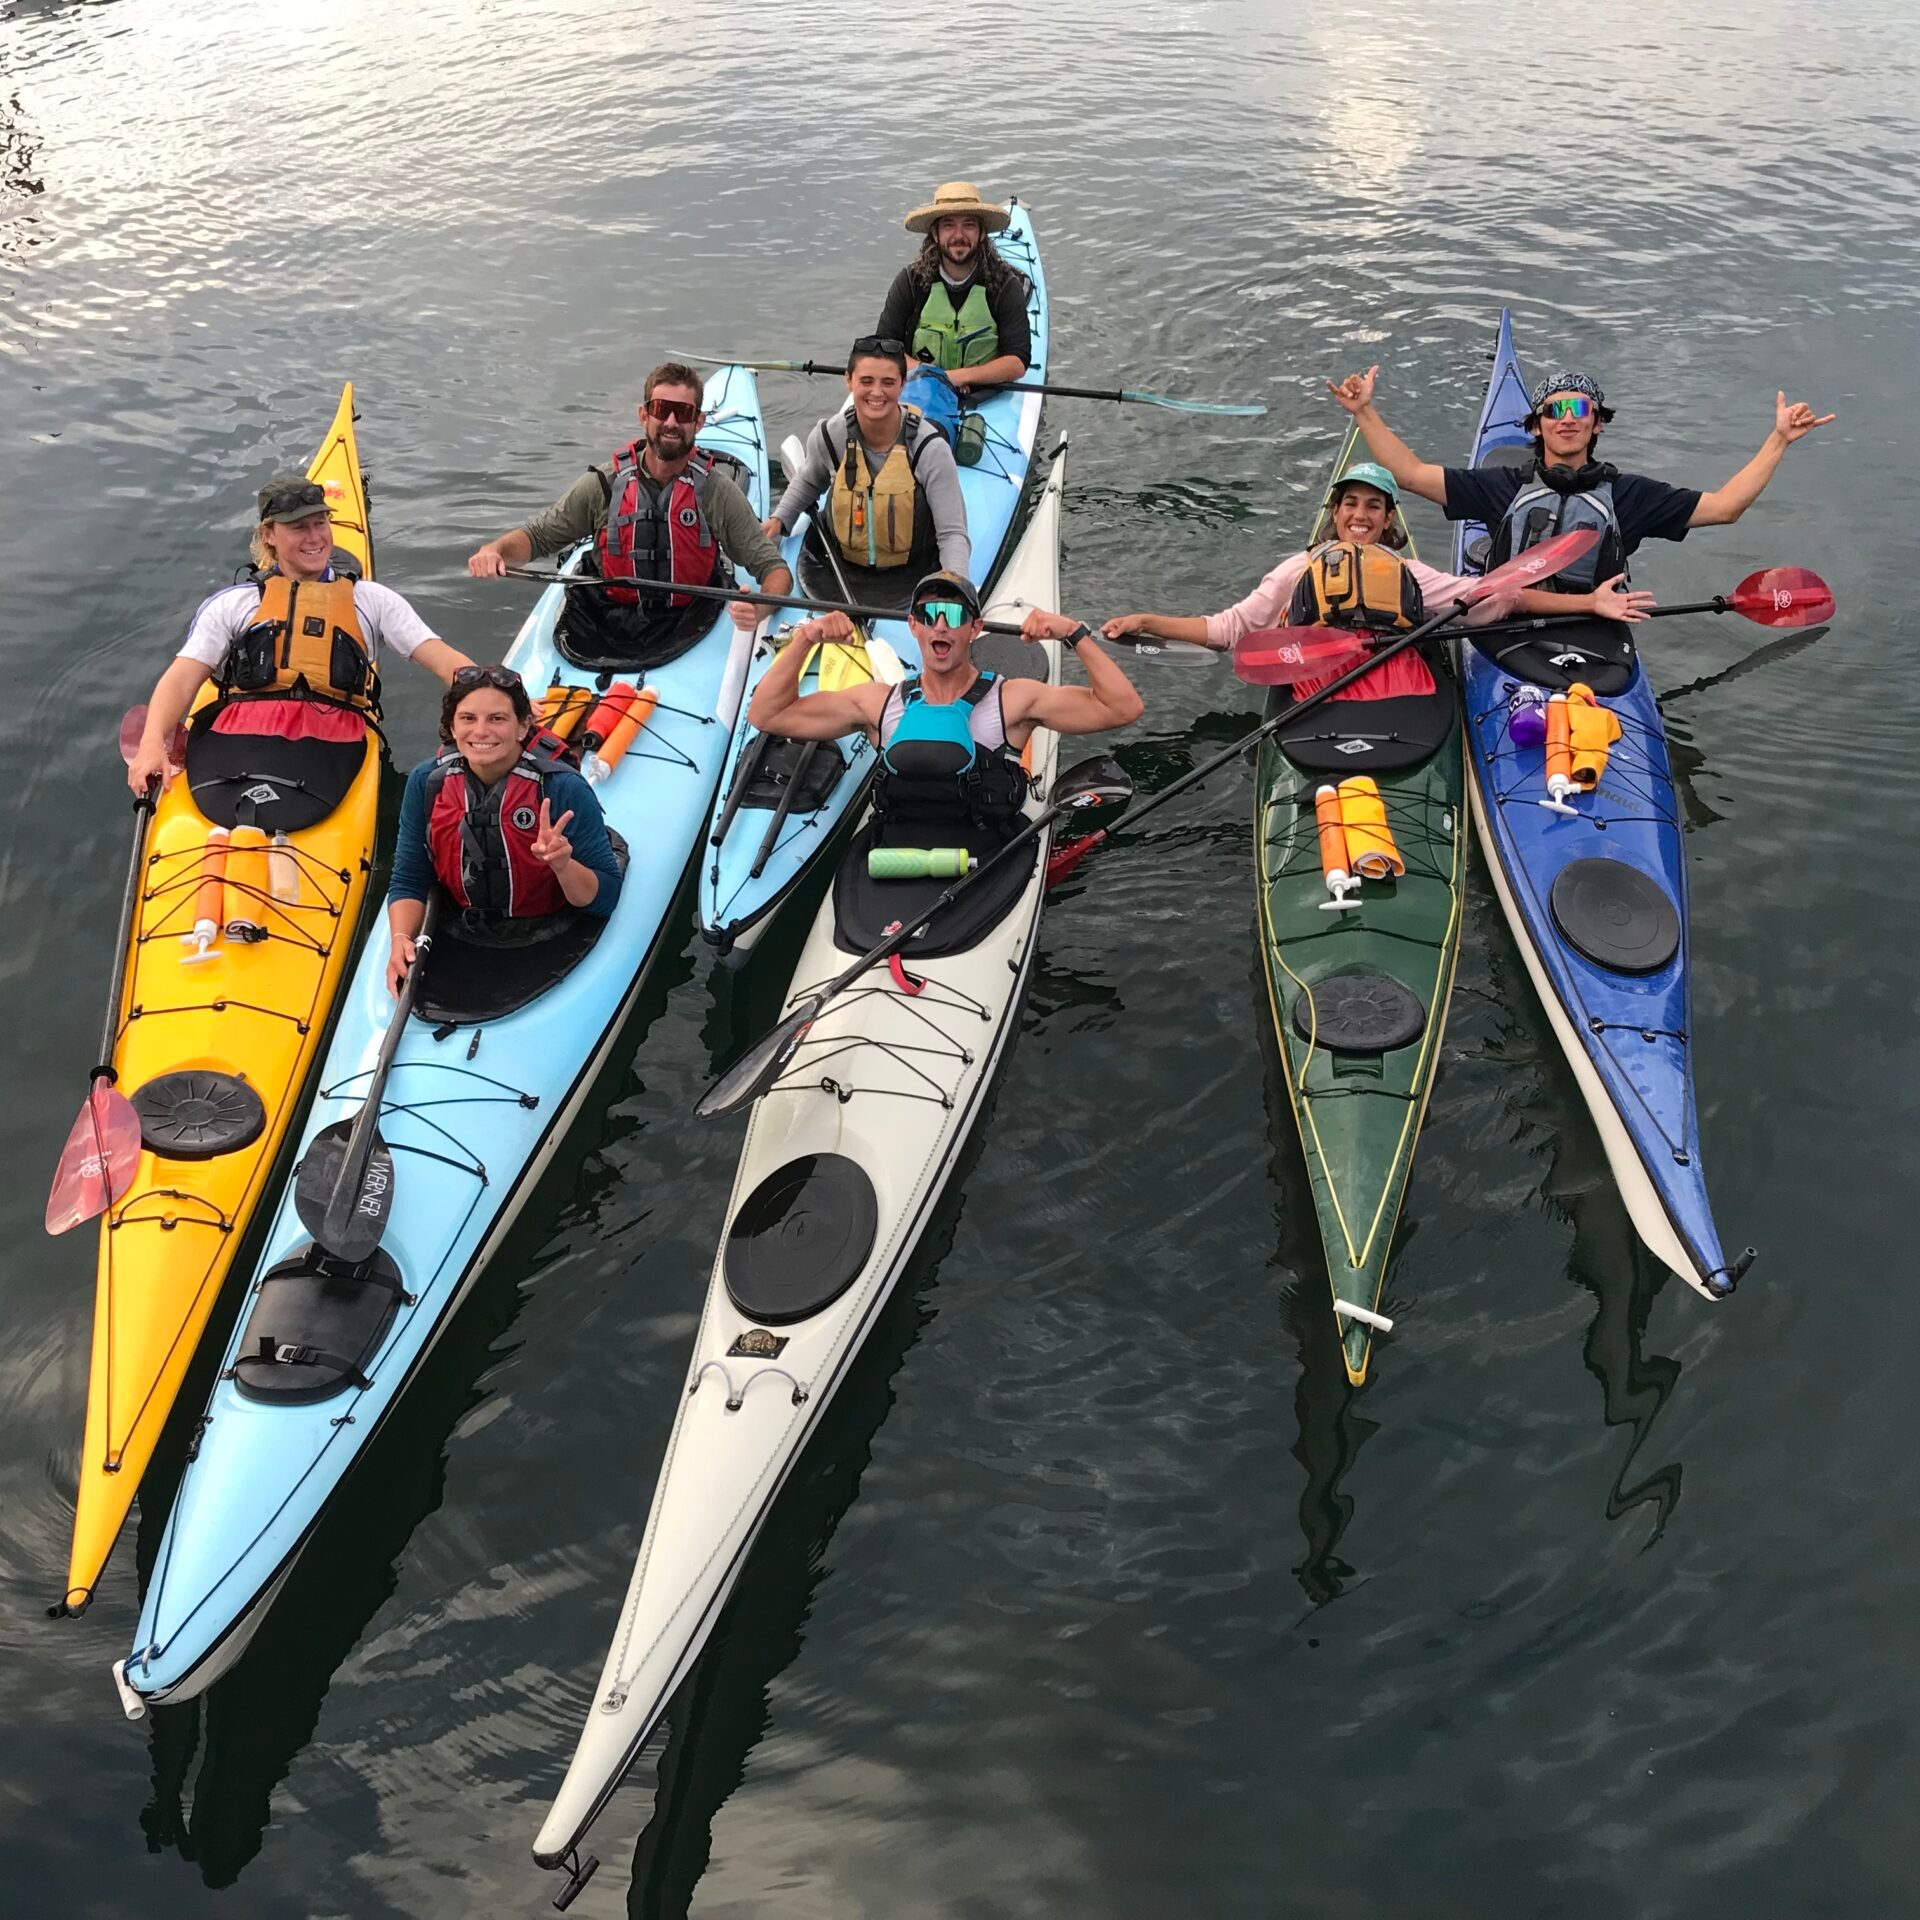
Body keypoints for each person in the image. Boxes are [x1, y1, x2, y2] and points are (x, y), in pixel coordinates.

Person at [1102, 462, 1651, 683]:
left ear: (1389, 519)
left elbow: (1502, 596)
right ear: (1335, 514)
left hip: (1391, 678)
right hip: (1322, 682)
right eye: (1350, 505)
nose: (1359, 516)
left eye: (1373, 507)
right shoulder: (1299, 569)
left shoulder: (1409, 573)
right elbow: (1228, 631)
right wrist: (1146, 618)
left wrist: (1590, 603)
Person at [1323, 362, 1834, 598]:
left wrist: (1779, 440)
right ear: (1537, 424)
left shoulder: (1629, 496)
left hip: (1600, 624)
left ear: (1597, 423)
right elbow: (1409, 475)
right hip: (1508, 620)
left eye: (1579, 410)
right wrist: (1365, 411)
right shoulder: (1500, 487)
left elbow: (1725, 507)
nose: (1567, 420)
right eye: (1554, 411)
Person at [127, 476, 471, 794]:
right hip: (242, 737)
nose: (314, 537)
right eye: (298, 527)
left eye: (320, 523)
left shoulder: (371, 600)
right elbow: (183, 678)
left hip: (333, 743)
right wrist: (152, 742)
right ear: (269, 535)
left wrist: (502, 694)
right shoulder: (234, 604)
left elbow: (443, 661)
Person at [749, 570, 1141, 847]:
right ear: (913, 626)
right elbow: (768, 715)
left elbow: (1121, 708)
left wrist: (1074, 634)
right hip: (900, 852)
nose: (940, 625)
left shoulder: (1014, 701)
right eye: (927, 615)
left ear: (974, 628)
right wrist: (805, 640)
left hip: (987, 855)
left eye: (953, 615)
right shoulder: (876, 702)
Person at [466, 362, 792, 656]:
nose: (672, 422)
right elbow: (538, 537)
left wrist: (759, 609)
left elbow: (775, 570)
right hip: (604, 619)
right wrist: (496, 550)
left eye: (684, 413)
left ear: (700, 422)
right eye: (662, 409)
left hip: (691, 622)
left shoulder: (717, 493)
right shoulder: (604, 485)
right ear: (644, 415)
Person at [385, 667, 623, 994]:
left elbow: (605, 897)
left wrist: (562, 865)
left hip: (551, 928)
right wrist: (400, 939)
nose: (481, 731)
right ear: (452, 727)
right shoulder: (426, 783)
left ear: (523, 726)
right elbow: (409, 879)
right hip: (463, 927)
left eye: (497, 719)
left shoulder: (564, 788)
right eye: (468, 718)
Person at [763, 338, 971, 592]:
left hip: (915, 572)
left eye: (888, 382)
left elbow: (952, 534)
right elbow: (809, 480)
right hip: (840, 570)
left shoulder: (930, 449)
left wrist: (955, 587)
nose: (876, 392)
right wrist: (779, 519)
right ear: (848, 380)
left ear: (903, 385)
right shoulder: (829, 436)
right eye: (866, 381)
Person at [873, 182, 1031, 394]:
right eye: (948, 225)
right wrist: (932, 377)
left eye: (969, 225)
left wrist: (958, 377)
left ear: (982, 233)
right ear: (935, 234)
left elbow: (1017, 362)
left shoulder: (1005, 285)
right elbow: (884, 348)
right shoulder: (910, 282)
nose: (959, 235)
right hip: (921, 391)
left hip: (984, 395)